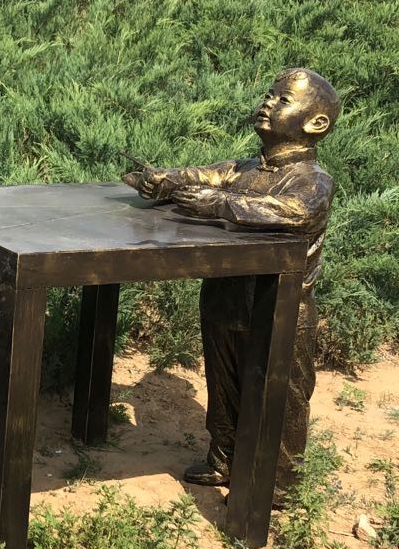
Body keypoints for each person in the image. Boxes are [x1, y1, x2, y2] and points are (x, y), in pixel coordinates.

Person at [125, 69, 340, 492]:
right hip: (225, 295)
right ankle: (223, 458)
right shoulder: (241, 169)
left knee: (282, 396)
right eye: (269, 94)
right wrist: (163, 181)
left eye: (283, 99)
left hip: (279, 306)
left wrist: (219, 204)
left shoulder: (312, 180)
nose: (268, 102)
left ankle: (276, 485)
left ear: (316, 123)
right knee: (224, 384)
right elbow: (198, 177)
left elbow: (296, 211)